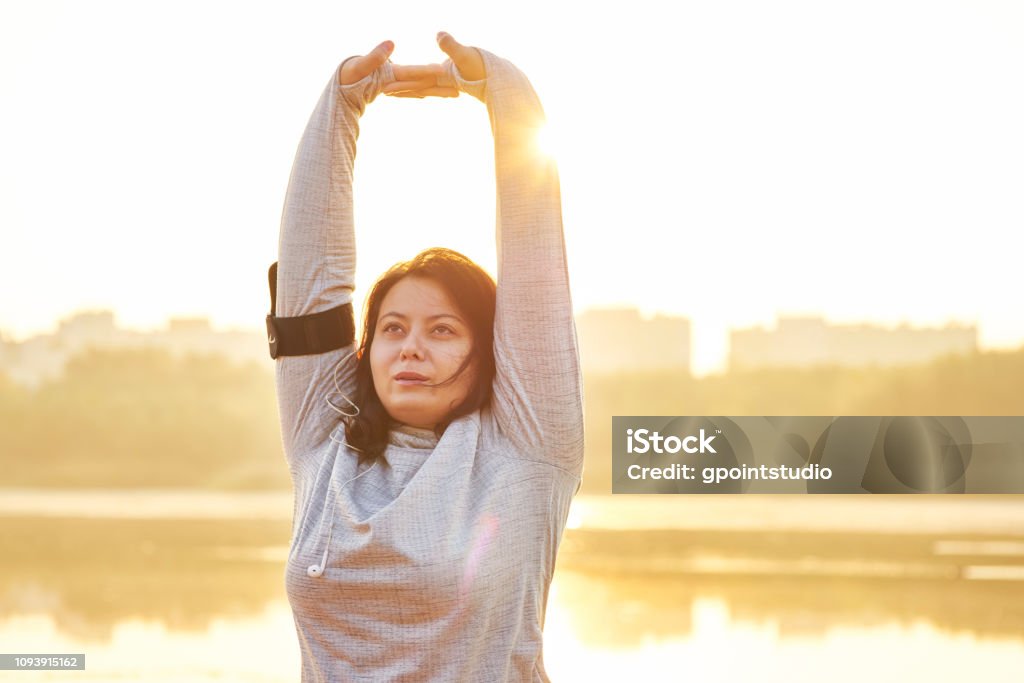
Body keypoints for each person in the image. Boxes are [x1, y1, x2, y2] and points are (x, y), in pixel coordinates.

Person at [273, 31, 584, 681]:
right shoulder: (324, 442)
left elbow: (536, 275)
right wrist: (342, 105)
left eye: (443, 330)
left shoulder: (525, 452)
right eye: (392, 328)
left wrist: (504, 94)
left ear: (489, 347)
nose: (411, 345)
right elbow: (310, 281)